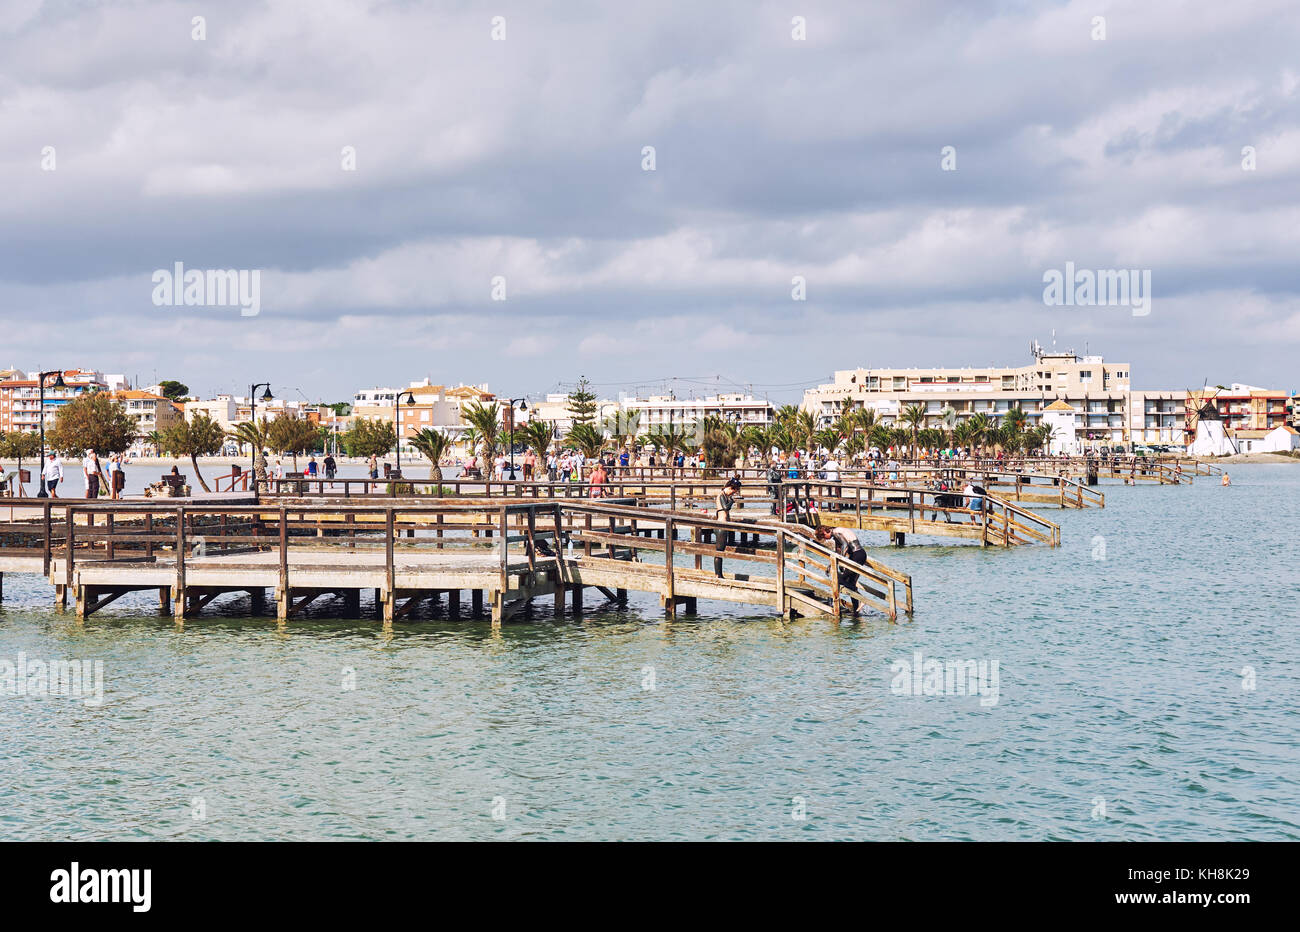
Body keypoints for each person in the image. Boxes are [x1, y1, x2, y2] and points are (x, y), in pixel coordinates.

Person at [815, 525, 868, 614]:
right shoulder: (836, 535)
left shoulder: (836, 532)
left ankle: (861, 599)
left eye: (824, 536)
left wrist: (841, 560)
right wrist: (831, 565)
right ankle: (856, 611)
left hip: (857, 555)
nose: (826, 539)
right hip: (858, 555)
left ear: (824, 531)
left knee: (840, 579)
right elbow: (838, 552)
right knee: (850, 583)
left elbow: (845, 545)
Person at [713, 477, 742, 577]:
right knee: (719, 551)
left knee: (721, 551)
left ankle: (719, 574)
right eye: (733, 491)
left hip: (723, 524)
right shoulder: (721, 495)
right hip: (721, 525)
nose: (733, 494)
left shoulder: (725, 496)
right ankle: (718, 574)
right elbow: (725, 507)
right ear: (730, 488)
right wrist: (732, 501)